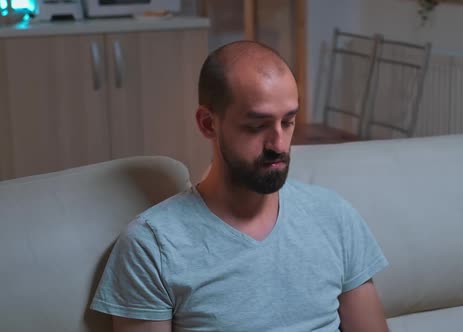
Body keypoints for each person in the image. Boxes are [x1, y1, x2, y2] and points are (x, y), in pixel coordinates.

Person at [90, 40, 389, 332]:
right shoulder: (152, 247)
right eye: (257, 126)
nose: (279, 145)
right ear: (208, 123)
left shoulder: (333, 216)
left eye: (288, 122)